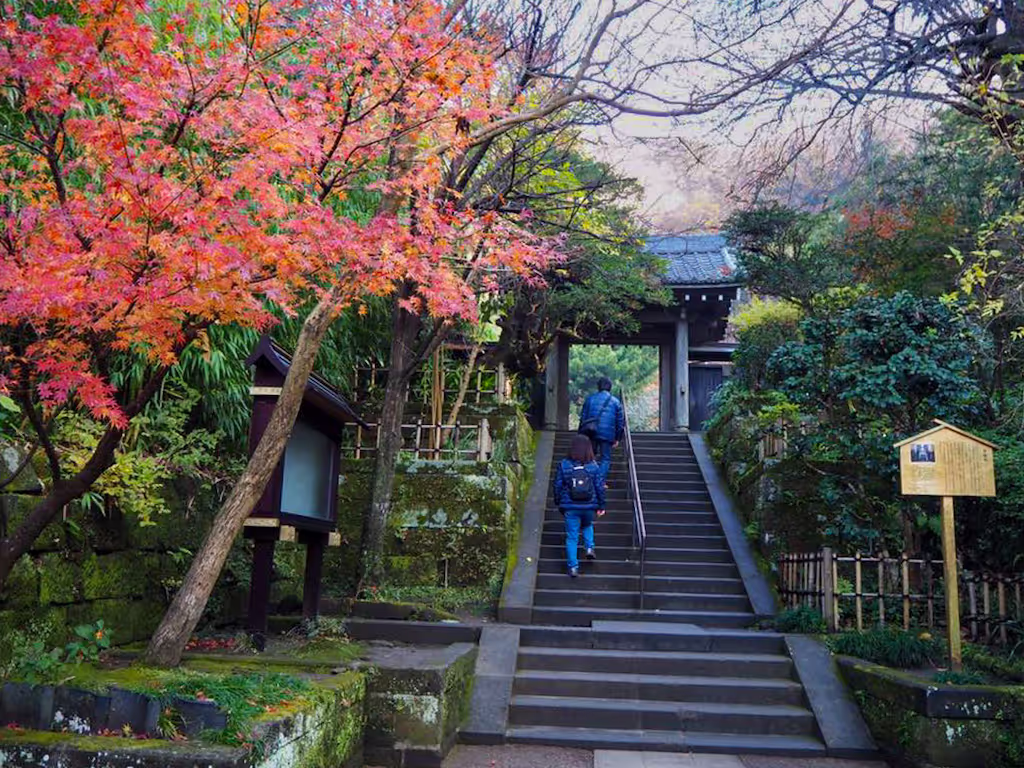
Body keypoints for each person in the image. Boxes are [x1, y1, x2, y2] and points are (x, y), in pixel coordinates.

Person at [553, 434, 607, 577]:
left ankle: (573, 567)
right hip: (589, 506)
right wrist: (601, 505)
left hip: (570, 507)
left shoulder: (564, 464)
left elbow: (557, 485)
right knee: (588, 525)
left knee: (572, 537)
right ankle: (589, 548)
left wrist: (559, 502)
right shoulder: (593, 466)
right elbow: (600, 487)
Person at [578, 376, 624, 474]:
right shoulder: (616, 402)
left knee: (590, 456)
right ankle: (600, 481)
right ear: (610, 387)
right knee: (605, 459)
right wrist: (618, 438)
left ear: (598, 387)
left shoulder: (590, 399)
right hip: (608, 434)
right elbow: (620, 422)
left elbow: (583, 418)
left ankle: (590, 479)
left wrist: (580, 434)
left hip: (591, 432)